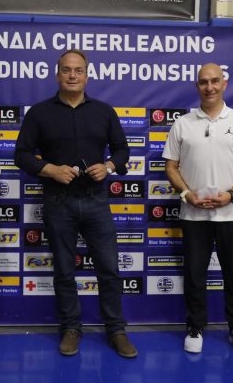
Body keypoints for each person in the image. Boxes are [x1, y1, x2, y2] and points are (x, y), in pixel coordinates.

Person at [14, 49, 137, 358]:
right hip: (59, 202)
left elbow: (123, 151)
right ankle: (70, 328)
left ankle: (116, 330)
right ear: (57, 75)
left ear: (86, 75)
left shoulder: (104, 111)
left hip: (96, 201)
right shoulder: (39, 113)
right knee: (64, 271)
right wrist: (50, 169)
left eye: (78, 70)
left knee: (109, 269)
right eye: (66, 70)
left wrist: (108, 166)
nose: (72, 75)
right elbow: (21, 155)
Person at [162, 63, 233, 356]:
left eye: (215, 81)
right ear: (197, 86)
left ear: (224, 84)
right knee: (195, 274)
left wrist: (232, 195)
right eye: (204, 82)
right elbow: (171, 166)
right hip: (194, 214)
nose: (210, 87)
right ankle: (195, 326)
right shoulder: (182, 124)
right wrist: (186, 194)